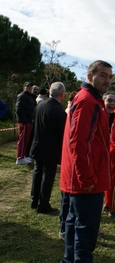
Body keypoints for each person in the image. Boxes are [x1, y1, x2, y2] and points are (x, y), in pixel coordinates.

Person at [60, 60, 113, 263]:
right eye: (102, 75)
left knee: (75, 227)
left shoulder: (93, 100)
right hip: (86, 182)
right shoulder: (87, 101)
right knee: (85, 235)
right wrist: (87, 178)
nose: (107, 80)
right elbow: (78, 143)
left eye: (110, 76)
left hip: (85, 180)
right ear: (90, 76)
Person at [30, 82, 66, 213]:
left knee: (37, 172)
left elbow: (34, 124)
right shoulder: (59, 111)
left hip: (38, 145)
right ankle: (43, 204)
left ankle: (34, 200)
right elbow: (62, 133)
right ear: (62, 94)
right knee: (48, 176)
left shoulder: (39, 105)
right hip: (50, 149)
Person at [15, 81, 36, 165]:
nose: (29, 88)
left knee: (26, 140)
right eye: (27, 86)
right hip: (24, 122)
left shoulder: (30, 96)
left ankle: (23, 156)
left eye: (30, 86)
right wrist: (24, 121)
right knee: (22, 140)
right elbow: (19, 109)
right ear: (24, 87)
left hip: (29, 121)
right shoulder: (22, 96)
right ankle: (19, 157)